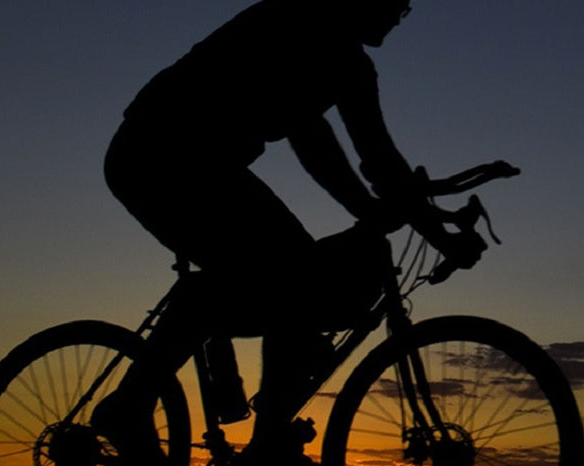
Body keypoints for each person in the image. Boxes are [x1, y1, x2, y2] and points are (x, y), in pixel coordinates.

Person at [90, 0, 467, 464]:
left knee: (292, 280)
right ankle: (135, 409)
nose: (397, 17)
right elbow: (314, 142)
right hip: (155, 154)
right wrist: (380, 213)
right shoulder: (295, 21)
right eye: (395, 4)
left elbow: (379, 158)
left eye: (404, 10)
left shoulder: (352, 66)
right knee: (293, 273)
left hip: (208, 167)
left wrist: (433, 231)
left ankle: (263, 431)